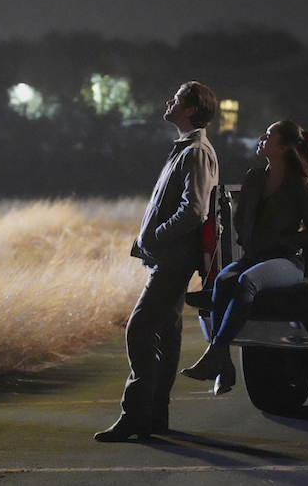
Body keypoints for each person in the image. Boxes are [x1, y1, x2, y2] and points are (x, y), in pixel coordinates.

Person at [94, 81, 219, 442]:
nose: (169, 102)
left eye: (176, 98)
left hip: (174, 259)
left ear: (190, 109)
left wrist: (155, 236)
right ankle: (154, 415)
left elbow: (194, 210)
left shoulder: (195, 151)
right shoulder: (187, 149)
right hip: (170, 257)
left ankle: (135, 416)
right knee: (165, 333)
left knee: (140, 329)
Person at [180, 120, 308, 395]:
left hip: (287, 261)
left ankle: (216, 353)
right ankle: (223, 363)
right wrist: (248, 238)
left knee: (247, 281)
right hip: (254, 256)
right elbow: (241, 216)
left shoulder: (302, 185)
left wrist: (281, 241)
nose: (261, 138)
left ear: (284, 147)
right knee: (224, 280)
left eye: (269, 135)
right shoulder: (255, 177)